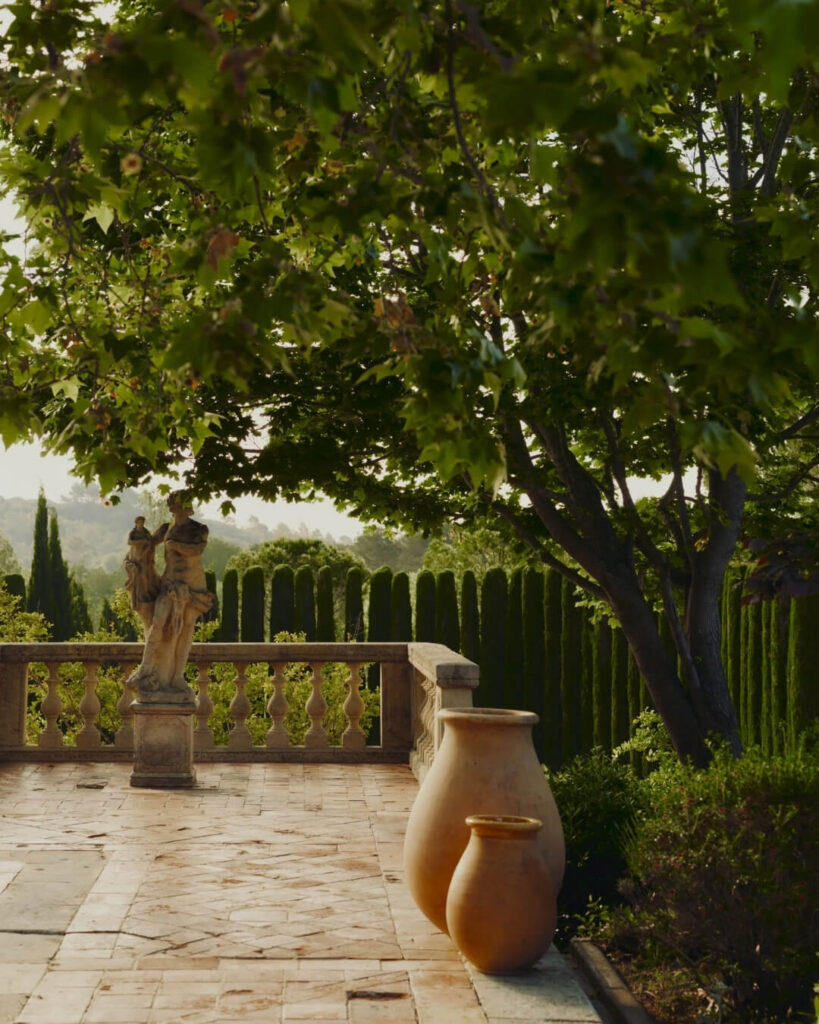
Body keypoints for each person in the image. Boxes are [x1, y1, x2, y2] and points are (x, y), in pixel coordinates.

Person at [128, 492, 214, 701]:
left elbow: (197, 549)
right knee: (158, 621)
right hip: (169, 584)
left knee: (185, 628)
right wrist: (138, 535)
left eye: (185, 504)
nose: (181, 508)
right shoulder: (167, 528)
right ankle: (146, 669)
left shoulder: (198, 529)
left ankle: (177, 677)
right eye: (176, 504)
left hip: (192, 586)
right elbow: (148, 542)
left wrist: (175, 545)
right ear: (173, 507)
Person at [123, 516, 161, 634]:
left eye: (143, 522)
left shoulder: (145, 532)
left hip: (144, 559)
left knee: (145, 576)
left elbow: (150, 542)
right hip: (136, 557)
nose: (141, 524)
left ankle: (148, 594)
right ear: (136, 523)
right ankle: (141, 596)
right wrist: (141, 542)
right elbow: (129, 542)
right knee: (140, 576)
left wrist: (147, 545)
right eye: (140, 522)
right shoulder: (133, 532)